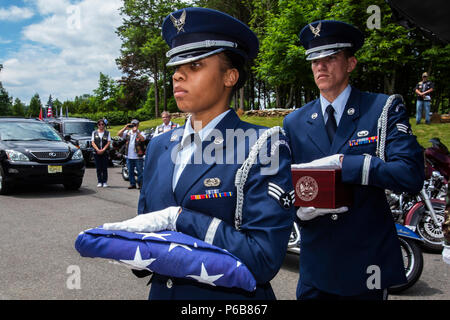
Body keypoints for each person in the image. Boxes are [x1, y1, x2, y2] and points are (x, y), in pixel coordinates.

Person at [103, 7, 295, 300]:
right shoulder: (159, 145)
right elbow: (147, 231)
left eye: (195, 67)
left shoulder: (262, 145)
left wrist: (180, 218)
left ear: (229, 76)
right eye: (177, 68)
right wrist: (129, 246)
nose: (178, 75)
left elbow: (263, 259)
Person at [283, 20, 425, 300]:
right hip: (316, 263)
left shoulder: (382, 108)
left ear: (351, 63)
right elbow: (282, 184)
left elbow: (410, 175)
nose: (320, 66)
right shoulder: (295, 122)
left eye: (330, 58)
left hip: (366, 262)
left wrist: (350, 164)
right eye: (315, 60)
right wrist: (295, 210)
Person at [117, 119, 146, 189]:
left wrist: (137, 132)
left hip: (138, 156)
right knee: (130, 171)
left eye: (135, 124)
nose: (134, 126)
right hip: (129, 156)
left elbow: (143, 139)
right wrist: (125, 128)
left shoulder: (141, 132)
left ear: (138, 125)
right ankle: (132, 184)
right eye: (133, 124)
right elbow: (119, 134)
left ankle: (140, 184)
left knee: (140, 171)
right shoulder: (128, 132)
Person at [91, 119, 111, 187]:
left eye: (102, 124)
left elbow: (108, 142)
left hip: (105, 152)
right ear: (98, 125)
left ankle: (104, 181)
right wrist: (97, 150)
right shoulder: (94, 133)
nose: (101, 126)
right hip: (96, 152)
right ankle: (99, 181)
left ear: (104, 125)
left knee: (104, 167)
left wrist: (103, 150)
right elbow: (93, 142)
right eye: (99, 124)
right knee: (98, 168)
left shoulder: (107, 133)